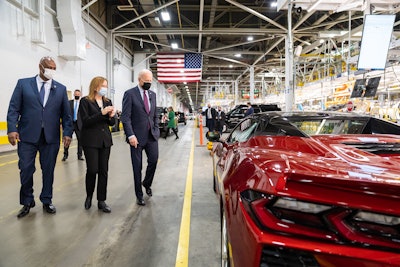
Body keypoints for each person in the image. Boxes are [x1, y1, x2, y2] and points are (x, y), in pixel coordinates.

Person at [6, 56, 73, 218]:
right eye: (49, 67)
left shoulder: (60, 89)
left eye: (54, 68)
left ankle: (46, 199)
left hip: (50, 137)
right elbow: (14, 108)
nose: (52, 70)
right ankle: (27, 201)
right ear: (40, 67)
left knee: (48, 170)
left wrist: (67, 133)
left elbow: (67, 115)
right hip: (27, 135)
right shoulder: (23, 84)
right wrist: (11, 129)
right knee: (26, 169)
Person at [121, 69, 160, 206]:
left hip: (151, 136)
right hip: (136, 138)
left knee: (154, 161)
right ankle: (139, 195)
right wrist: (130, 135)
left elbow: (154, 114)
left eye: (150, 81)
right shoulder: (130, 94)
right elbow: (125, 118)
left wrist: (156, 128)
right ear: (139, 80)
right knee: (137, 167)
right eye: (146, 81)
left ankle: (146, 183)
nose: (148, 83)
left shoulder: (152, 94)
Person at [79, 76, 115, 213]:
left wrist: (112, 116)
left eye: (106, 86)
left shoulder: (107, 101)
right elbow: (86, 121)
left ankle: (101, 200)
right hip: (91, 141)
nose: (105, 88)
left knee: (103, 171)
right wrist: (101, 113)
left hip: (105, 140)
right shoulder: (85, 102)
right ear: (95, 87)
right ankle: (89, 195)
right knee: (92, 169)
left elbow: (111, 123)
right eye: (103, 86)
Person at [62, 89, 84, 161]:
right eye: (76, 94)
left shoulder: (82, 103)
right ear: (74, 94)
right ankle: (65, 155)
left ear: (80, 95)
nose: (77, 95)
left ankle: (79, 155)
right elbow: (65, 113)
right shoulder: (69, 103)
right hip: (70, 124)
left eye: (78, 94)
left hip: (79, 124)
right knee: (67, 140)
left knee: (80, 140)